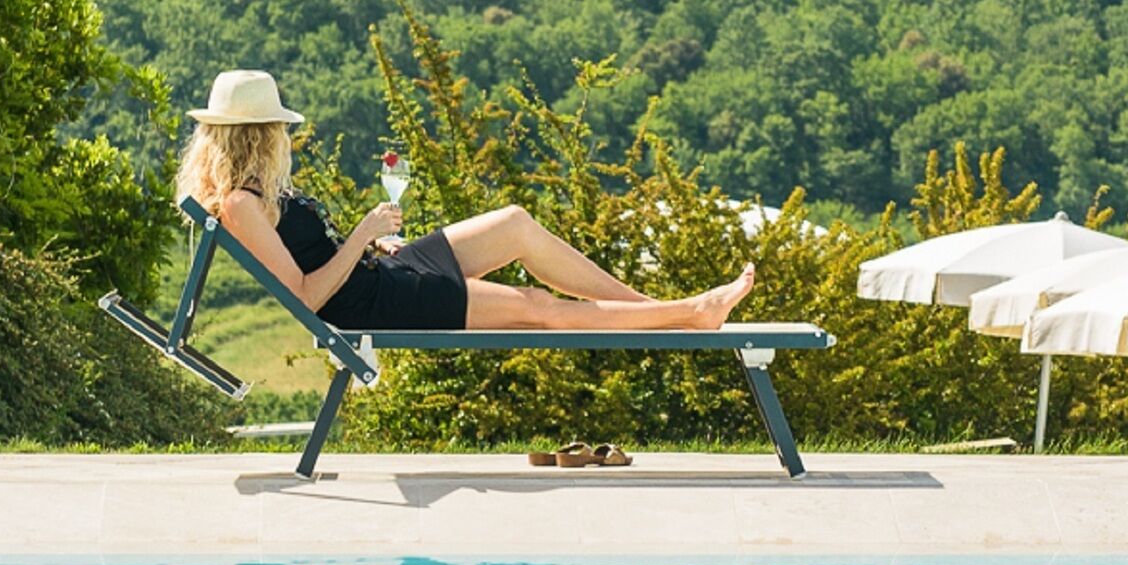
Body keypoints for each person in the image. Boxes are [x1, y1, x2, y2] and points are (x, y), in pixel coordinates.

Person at [173, 69, 755, 334]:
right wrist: (362, 234)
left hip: (380, 270)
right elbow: (307, 297)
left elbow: (312, 260)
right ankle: (685, 314)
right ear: (260, 133)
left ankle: (654, 310)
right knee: (535, 306)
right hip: (371, 301)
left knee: (515, 225)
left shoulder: (258, 193)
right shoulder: (241, 204)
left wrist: (375, 243)